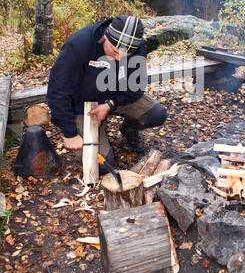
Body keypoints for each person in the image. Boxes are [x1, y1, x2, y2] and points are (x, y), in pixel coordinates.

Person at [46, 14, 167, 169]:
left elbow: (136, 86)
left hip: (113, 96)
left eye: (125, 55)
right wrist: (69, 133)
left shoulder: (138, 48)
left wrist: (110, 104)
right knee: (102, 165)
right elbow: (57, 90)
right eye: (114, 51)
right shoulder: (80, 44)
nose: (118, 58)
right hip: (83, 106)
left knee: (157, 114)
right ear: (105, 36)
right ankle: (93, 130)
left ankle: (128, 129)